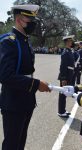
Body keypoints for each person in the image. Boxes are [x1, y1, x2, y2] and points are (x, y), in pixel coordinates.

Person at [0, 4, 51, 150]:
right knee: (12, 144)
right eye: (30, 20)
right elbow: (5, 76)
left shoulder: (24, 40)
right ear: (18, 20)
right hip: (13, 101)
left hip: (26, 99)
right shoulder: (8, 41)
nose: (33, 24)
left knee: (21, 141)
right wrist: (36, 84)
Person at [57, 35, 75, 117]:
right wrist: (63, 78)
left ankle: (62, 110)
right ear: (67, 42)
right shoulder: (65, 52)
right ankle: (61, 111)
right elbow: (63, 66)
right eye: (70, 41)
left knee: (64, 94)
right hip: (65, 76)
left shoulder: (69, 51)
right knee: (62, 94)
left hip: (69, 74)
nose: (72, 42)